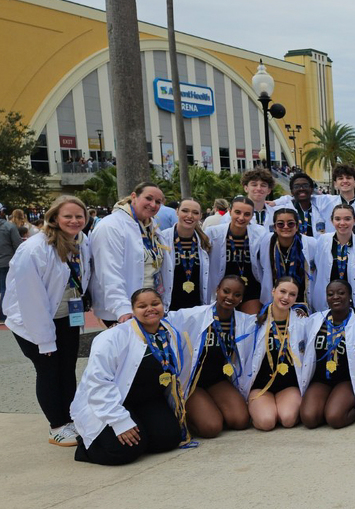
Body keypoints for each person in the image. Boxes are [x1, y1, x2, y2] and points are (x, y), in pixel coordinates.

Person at [3, 196, 91, 445]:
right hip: (33, 321)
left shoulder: (81, 242)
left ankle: (70, 418)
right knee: (49, 370)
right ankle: (56, 425)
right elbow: (32, 300)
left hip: (65, 317)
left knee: (67, 369)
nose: (74, 221)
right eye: (68, 216)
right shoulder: (34, 249)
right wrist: (44, 340)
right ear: (54, 218)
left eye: (79, 216)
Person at [71, 288, 191, 465]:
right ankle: (85, 448)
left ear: (163, 306)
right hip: (113, 401)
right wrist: (119, 421)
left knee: (168, 439)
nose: (150, 309)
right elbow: (98, 383)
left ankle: (140, 431)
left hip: (147, 399)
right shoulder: (112, 338)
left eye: (155, 304)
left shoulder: (171, 333)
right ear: (133, 310)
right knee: (123, 451)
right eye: (142, 306)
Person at [167, 275, 256, 438]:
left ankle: (210, 405)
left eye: (237, 295)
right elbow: (164, 319)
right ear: (217, 290)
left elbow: (270, 319)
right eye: (226, 291)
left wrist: (299, 312)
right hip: (193, 381)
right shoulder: (194, 315)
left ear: (242, 298)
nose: (230, 298)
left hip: (217, 380)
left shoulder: (245, 322)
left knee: (241, 420)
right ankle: (188, 413)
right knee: (211, 428)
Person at [90, 182, 167, 325]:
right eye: (148, 198)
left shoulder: (151, 227)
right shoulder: (111, 226)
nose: (153, 204)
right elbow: (108, 272)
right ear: (134, 197)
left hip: (148, 305)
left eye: (158, 202)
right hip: (124, 311)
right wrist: (122, 308)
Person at [241, 276, 308, 431]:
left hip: (288, 385)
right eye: (282, 291)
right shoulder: (254, 323)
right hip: (261, 386)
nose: (286, 297)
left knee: (288, 419)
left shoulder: (303, 323)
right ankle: (263, 407)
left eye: (292, 294)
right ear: (273, 291)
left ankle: (280, 405)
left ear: (296, 298)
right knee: (267, 422)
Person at [298, 279, 355, 429]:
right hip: (320, 379)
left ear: (350, 296)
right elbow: (293, 326)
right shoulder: (314, 320)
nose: (335, 296)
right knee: (309, 419)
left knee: (335, 418)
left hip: (346, 380)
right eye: (330, 294)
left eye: (341, 293)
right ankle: (327, 404)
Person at [207, 196, 266, 315]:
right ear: (230, 212)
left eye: (247, 214)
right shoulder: (213, 233)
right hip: (224, 289)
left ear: (252, 215)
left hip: (251, 288)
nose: (241, 218)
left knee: (251, 325)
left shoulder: (260, 233)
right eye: (237, 212)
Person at [311, 203, 355, 315]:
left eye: (347, 219)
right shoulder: (322, 242)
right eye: (337, 219)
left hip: (352, 304)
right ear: (332, 221)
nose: (342, 223)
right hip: (325, 303)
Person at [256, 208, 317, 309]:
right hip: (274, 299)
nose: (285, 227)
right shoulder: (266, 242)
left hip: (301, 302)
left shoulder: (311, 244)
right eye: (280, 224)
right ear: (274, 227)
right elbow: (260, 268)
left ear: (297, 227)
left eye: (290, 224)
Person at [160, 199, 212, 310]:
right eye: (185, 211)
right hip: (170, 307)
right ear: (177, 212)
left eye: (195, 212)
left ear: (200, 216)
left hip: (197, 307)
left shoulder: (205, 242)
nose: (190, 216)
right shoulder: (162, 239)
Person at [0, 203, 25, 324]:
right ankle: (3, 315)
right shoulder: (9, 227)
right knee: (6, 288)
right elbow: (18, 245)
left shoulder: (9, 226)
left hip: (5, 261)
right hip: (6, 262)